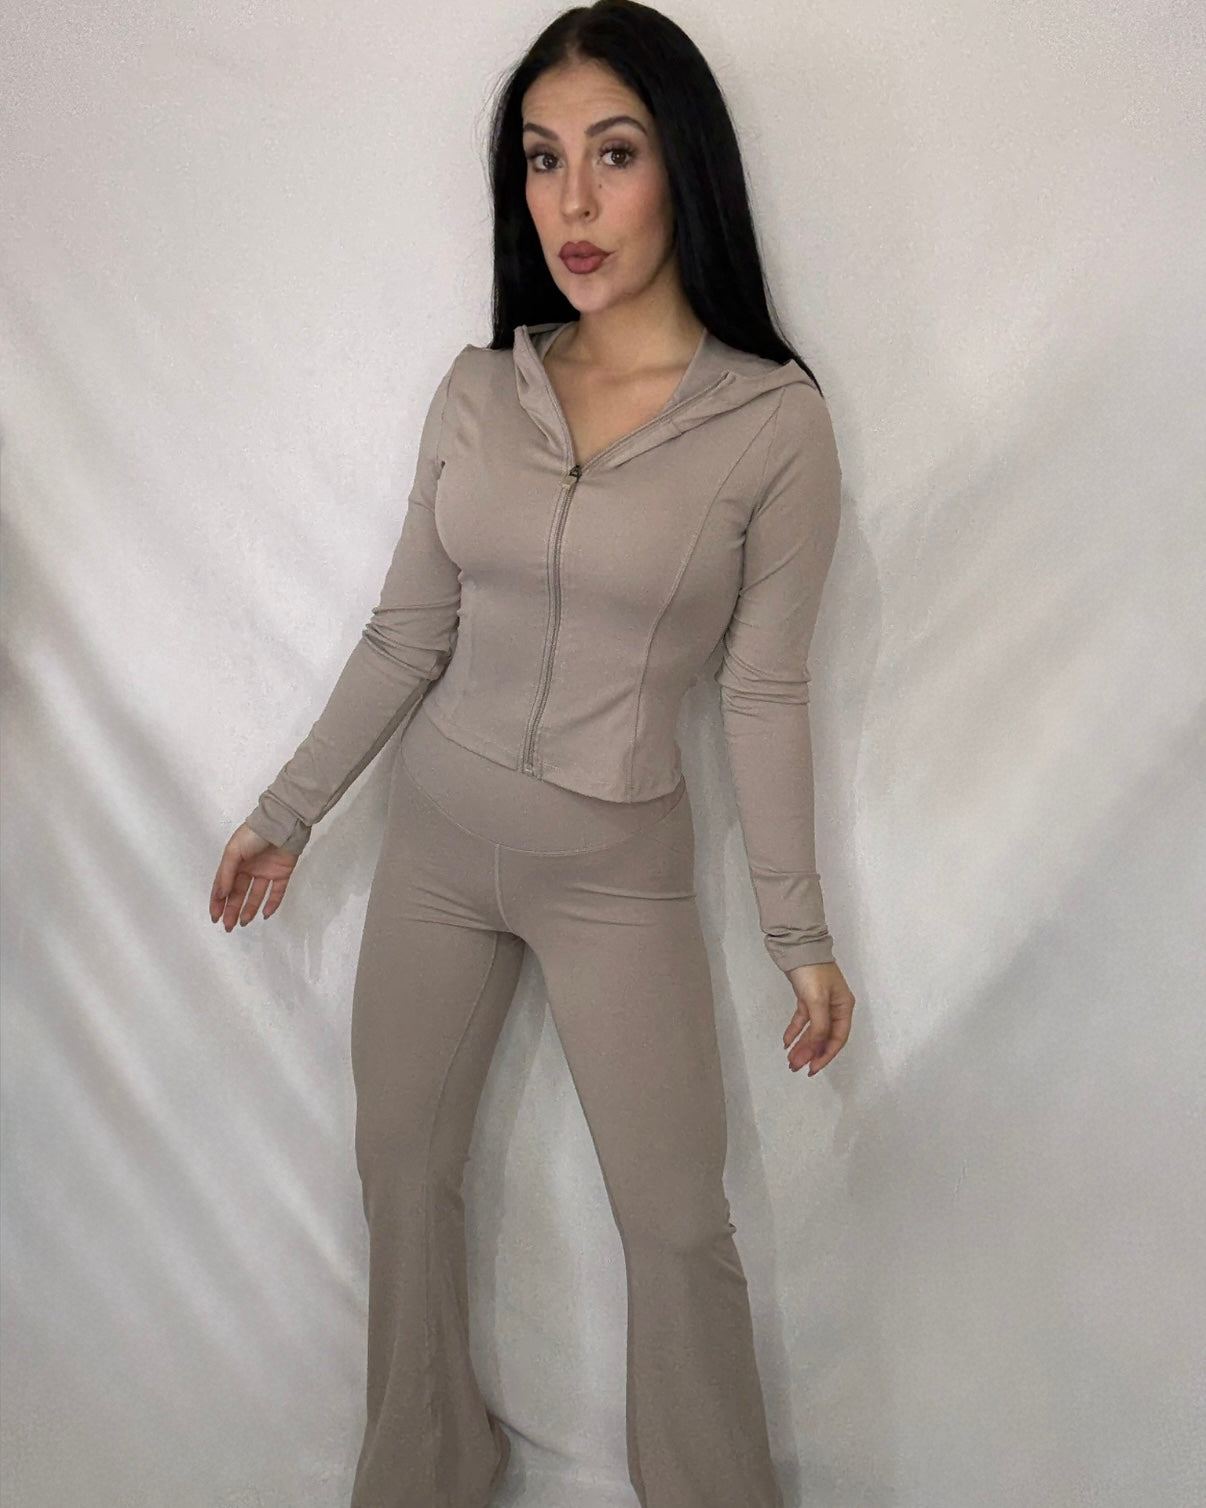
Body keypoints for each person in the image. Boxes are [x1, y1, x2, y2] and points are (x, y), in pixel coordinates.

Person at [209, 3, 856, 1504]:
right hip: (437, 846)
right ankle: (428, 1461)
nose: (572, 200)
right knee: (400, 1173)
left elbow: (765, 689)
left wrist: (801, 935)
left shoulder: (772, 427)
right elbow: (405, 634)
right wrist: (288, 812)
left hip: (613, 871)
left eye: (613, 155)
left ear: (683, 165)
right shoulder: (475, 390)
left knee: (673, 1220)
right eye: (542, 158)